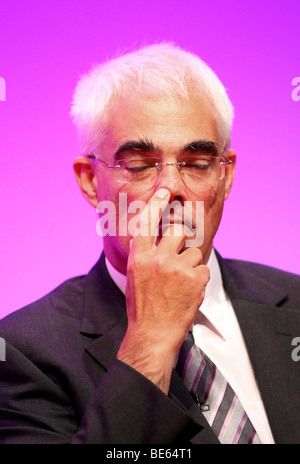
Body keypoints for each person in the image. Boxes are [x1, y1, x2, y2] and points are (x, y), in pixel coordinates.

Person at [0, 43, 299, 445]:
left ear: (225, 178)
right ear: (90, 180)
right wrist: (150, 341)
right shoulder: (24, 353)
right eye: (140, 165)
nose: (172, 187)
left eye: (197, 164)